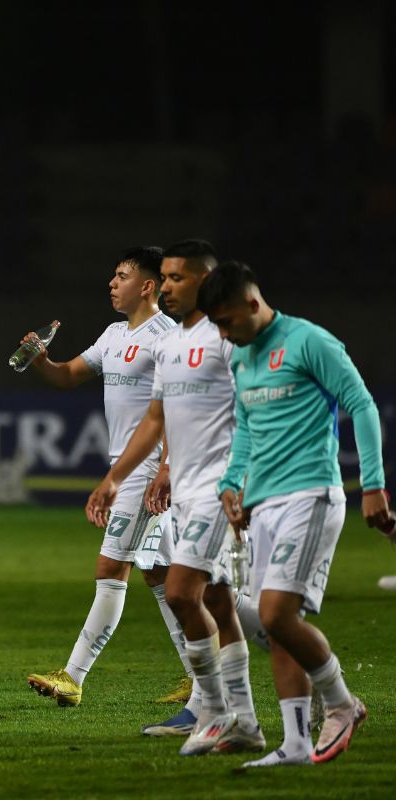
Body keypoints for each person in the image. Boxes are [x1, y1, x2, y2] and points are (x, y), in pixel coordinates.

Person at [198, 261, 392, 766]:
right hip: (262, 505)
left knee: (276, 614)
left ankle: (342, 704)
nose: (222, 333)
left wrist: (373, 484)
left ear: (252, 304)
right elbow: (245, 427)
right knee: (278, 627)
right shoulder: (242, 357)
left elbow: (363, 405)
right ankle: (295, 744)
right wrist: (230, 485)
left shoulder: (310, 342)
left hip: (311, 495)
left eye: (226, 322)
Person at [86, 240, 265, 756]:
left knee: (185, 592)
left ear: (205, 283)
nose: (165, 287)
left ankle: (211, 710)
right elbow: (156, 419)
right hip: (182, 489)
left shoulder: (228, 338)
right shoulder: (167, 346)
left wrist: (244, 478)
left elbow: (254, 413)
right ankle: (250, 712)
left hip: (222, 488)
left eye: (176, 278)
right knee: (217, 600)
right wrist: (118, 476)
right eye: (162, 278)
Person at [21, 246, 189, 710]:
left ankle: (73, 676)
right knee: (162, 575)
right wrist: (41, 359)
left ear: (148, 286)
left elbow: (175, 408)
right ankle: (204, 672)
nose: (112, 283)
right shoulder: (114, 334)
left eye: (121, 276)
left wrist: (167, 469)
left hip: (147, 473)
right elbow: (67, 375)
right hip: (126, 468)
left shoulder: (168, 337)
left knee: (111, 568)